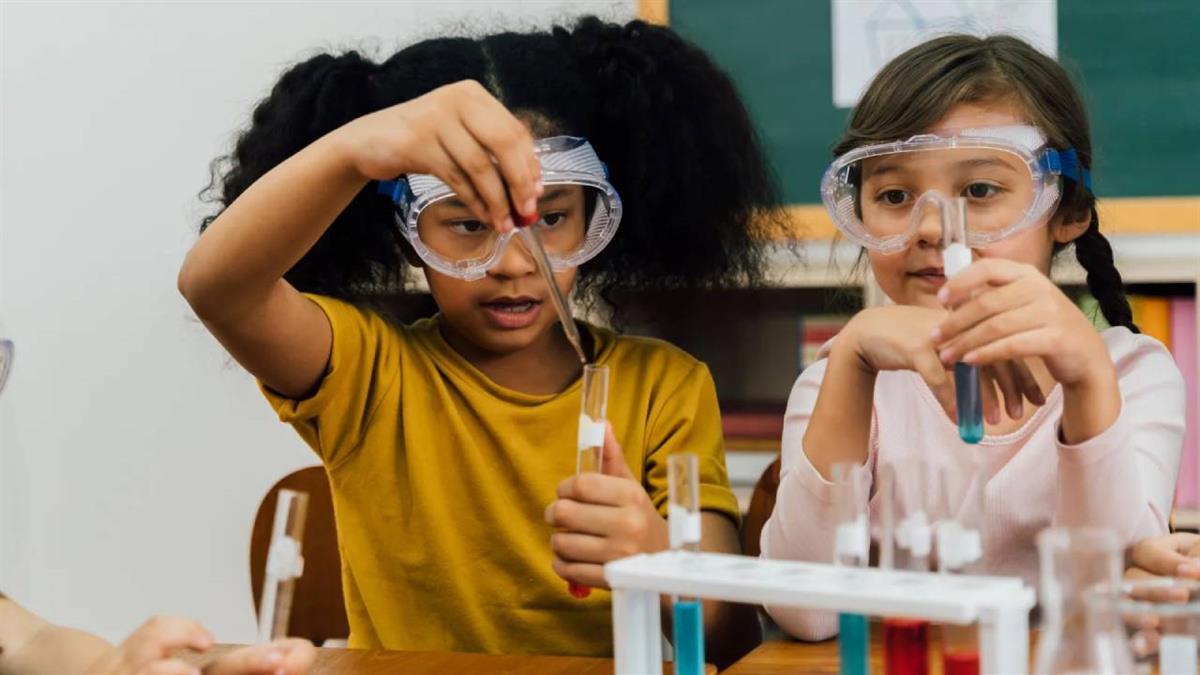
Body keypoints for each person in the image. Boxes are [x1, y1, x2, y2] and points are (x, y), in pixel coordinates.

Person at [179, 16, 781, 665]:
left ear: (596, 217)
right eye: (466, 223)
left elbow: (731, 639)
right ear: (406, 233)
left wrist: (657, 557)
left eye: (550, 219)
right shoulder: (367, 374)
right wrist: (355, 152)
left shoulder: (665, 386)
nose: (514, 262)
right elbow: (219, 288)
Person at [761, 33, 1186, 639]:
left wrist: (1087, 376)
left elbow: (1109, 606)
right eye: (894, 195)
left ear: (1068, 212)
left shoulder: (1132, 374)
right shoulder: (843, 381)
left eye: (981, 190)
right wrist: (853, 360)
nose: (934, 227)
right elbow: (805, 613)